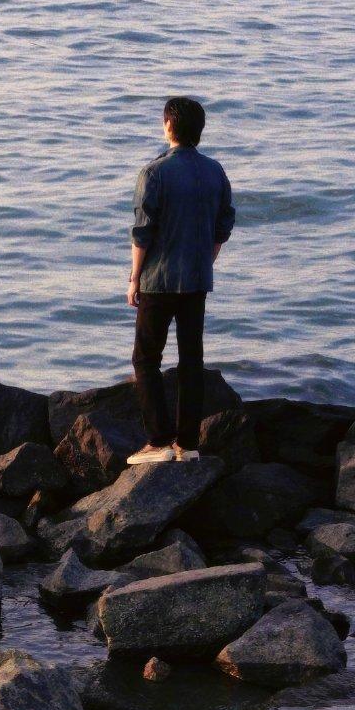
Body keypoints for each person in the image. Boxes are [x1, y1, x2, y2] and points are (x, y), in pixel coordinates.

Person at [125, 96, 235, 464]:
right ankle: (187, 445)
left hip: (158, 280)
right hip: (197, 279)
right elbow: (224, 224)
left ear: (169, 126)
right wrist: (206, 259)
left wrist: (134, 278)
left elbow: (143, 232)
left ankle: (157, 441)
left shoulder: (154, 172)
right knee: (191, 360)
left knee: (145, 359)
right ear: (199, 131)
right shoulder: (215, 171)